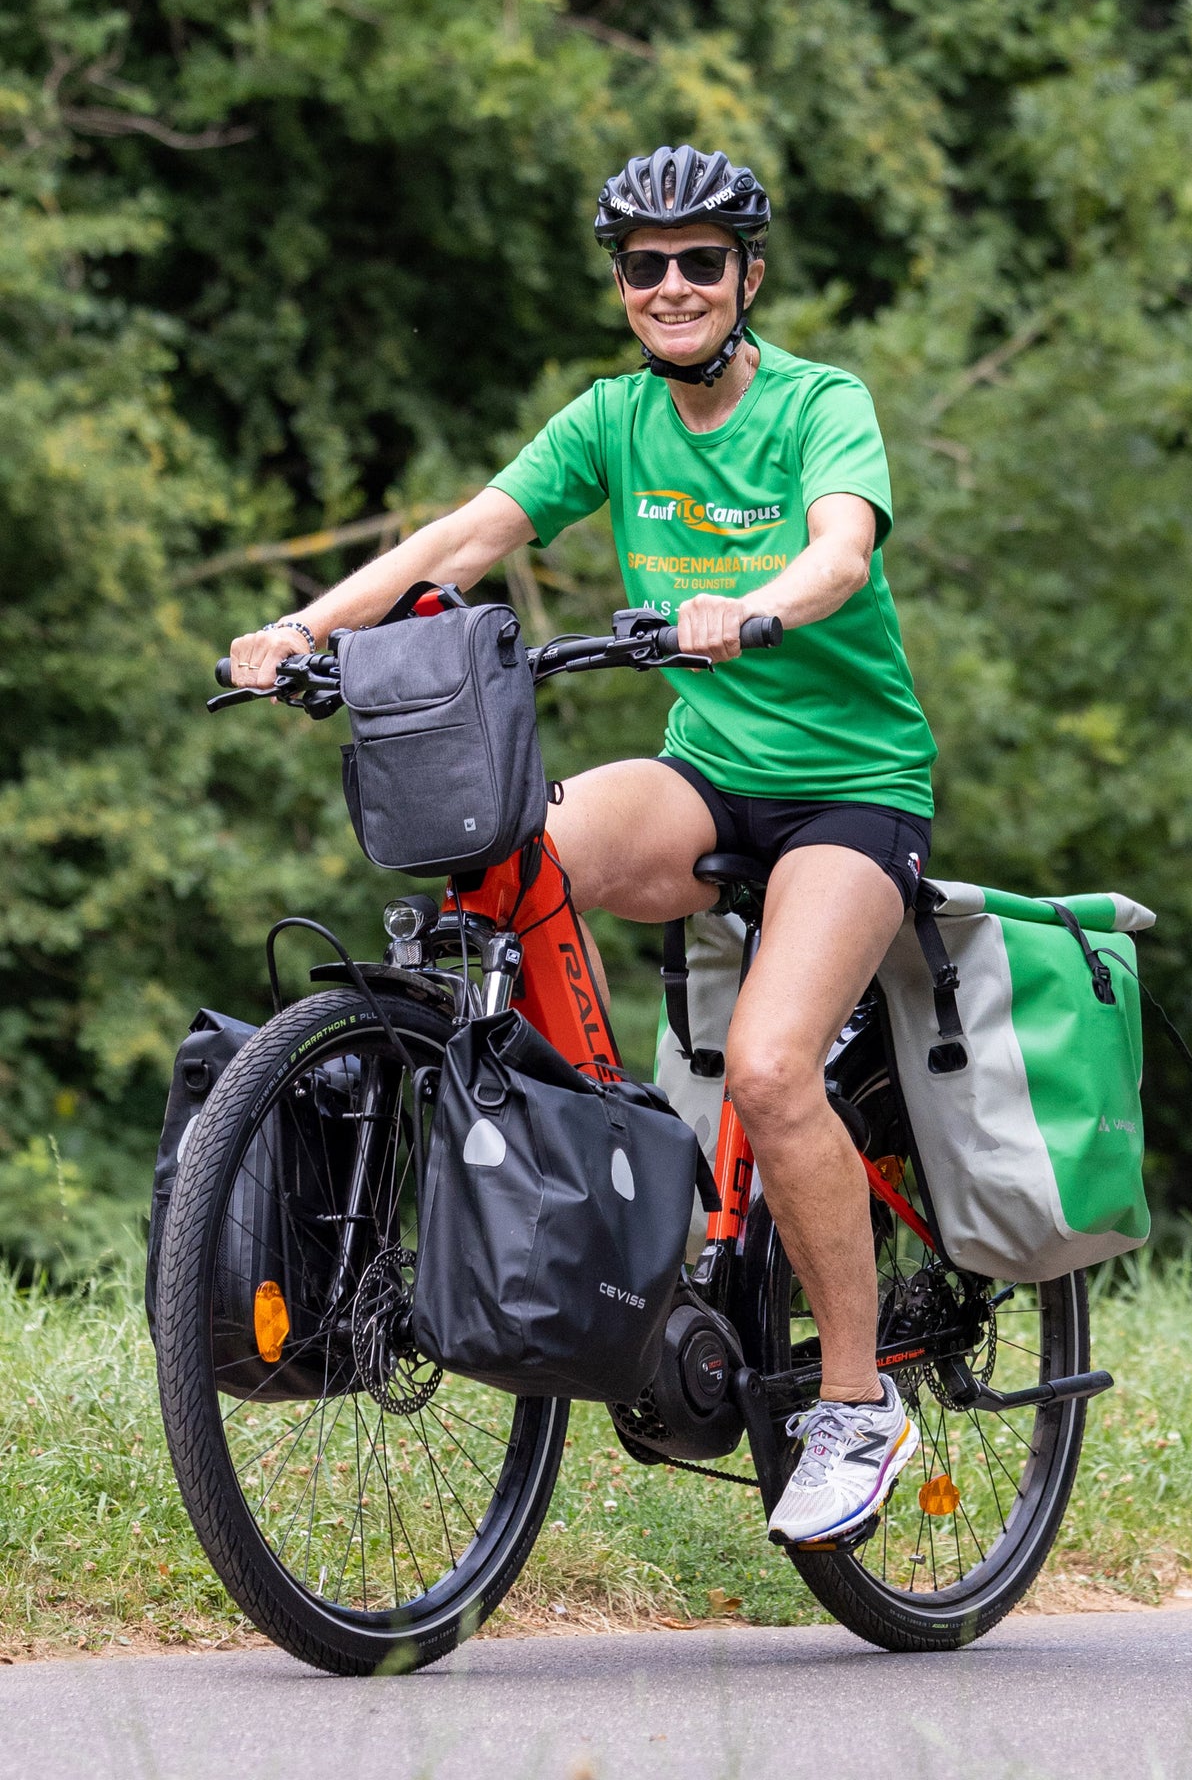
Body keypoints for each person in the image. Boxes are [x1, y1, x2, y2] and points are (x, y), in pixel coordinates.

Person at [225, 143, 933, 1548]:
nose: (670, 285)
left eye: (699, 262)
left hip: (853, 793)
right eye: (643, 264)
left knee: (779, 1066)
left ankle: (856, 1402)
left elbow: (843, 550)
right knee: (514, 856)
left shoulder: (816, 405)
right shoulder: (612, 419)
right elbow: (463, 539)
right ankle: (604, 1166)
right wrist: (309, 631)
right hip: (709, 773)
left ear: (748, 278)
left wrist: (758, 603)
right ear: (621, 284)